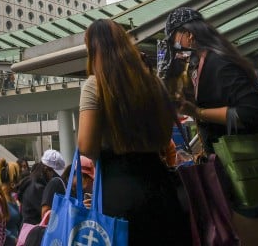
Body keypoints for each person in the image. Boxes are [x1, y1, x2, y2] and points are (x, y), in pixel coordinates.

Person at [162, 8, 258, 246]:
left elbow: (251, 114)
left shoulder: (219, 63)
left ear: (189, 34)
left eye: (175, 38)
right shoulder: (209, 62)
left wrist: (197, 112)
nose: (174, 46)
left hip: (255, 178)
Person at [78, 18, 191, 245]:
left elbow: (86, 146)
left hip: (118, 188)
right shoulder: (154, 83)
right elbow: (163, 137)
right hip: (160, 185)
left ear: (93, 50)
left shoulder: (95, 84)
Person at [17, 150, 63, 224]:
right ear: (46, 169)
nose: (53, 177)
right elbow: (46, 214)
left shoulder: (34, 182)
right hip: (35, 230)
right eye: (53, 173)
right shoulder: (36, 187)